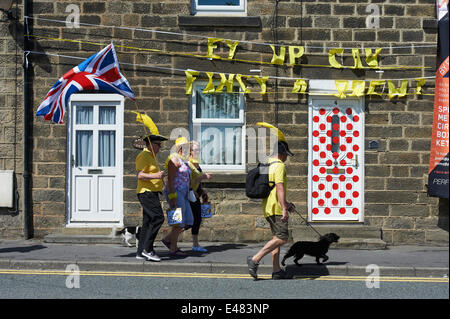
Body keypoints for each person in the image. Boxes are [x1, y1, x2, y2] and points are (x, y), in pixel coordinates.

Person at [247, 140, 295, 280]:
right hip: (277, 208)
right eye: (286, 155)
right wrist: (284, 208)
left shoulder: (267, 165)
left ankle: (276, 270)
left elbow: (271, 188)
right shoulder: (279, 166)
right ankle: (255, 259)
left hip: (268, 207)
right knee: (282, 237)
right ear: (281, 154)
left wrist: (286, 203)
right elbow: (279, 187)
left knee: (276, 238)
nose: (286, 158)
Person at [135, 133, 167, 262]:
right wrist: (156, 176)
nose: (160, 147)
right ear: (151, 144)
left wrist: (161, 187)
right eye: (158, 145)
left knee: (148, 223)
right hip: (146, 192)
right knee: (158, 217)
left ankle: (140, 252)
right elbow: (140, 175)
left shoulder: (151, 156)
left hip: (152, 192)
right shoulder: (143, 155)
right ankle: (147, 249)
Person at [161, 136, 195, 257]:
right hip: (176, 192)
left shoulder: (184, 160)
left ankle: (167, 238)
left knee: (189, 220)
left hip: (184, 193)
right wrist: (173, 196)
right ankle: (173, 248)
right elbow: (170, 179)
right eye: (186, 147)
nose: (188, 149)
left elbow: (187, 178)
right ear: (180, 148)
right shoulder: (174, 159)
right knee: (178, 222)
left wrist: (191, 190)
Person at [188, 141, 211, 252]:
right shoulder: (189, 163)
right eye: (195, 150)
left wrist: (202, 191)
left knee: (196, 219)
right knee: (190, 220)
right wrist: (204, 177)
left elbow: (196, 180)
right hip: (190, 194)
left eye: (199, 150)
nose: (198, 152)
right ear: (190, 151)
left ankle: (195, 244)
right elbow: (188, 180)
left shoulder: (196, 163)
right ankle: (168, 237)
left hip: (196, 193)